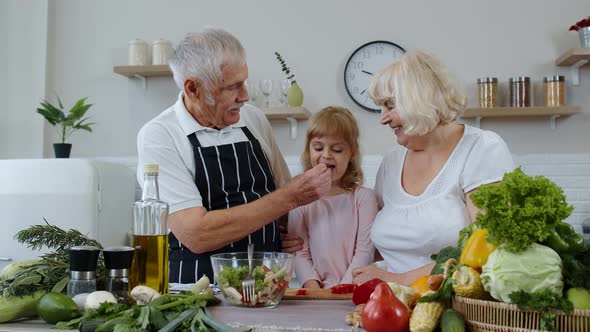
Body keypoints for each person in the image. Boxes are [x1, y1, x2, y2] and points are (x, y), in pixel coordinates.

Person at [136, 28, 332, 283]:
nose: (245, 95)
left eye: (244, 82)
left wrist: (284, 230)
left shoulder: (253, 119)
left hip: (266, 287)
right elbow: (196, 234)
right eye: (232, 87)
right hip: (197, 295)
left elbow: (281, 200)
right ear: (193, 88)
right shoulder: (160, 135)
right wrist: (289, 198)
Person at [351, 50, 514, 285]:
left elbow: (487, 248)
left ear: (416, 101)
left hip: (454, 303)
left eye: (389, 106)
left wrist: (399, 279)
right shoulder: (391, 162)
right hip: (388, 305)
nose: (383, 119)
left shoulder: (482, 149)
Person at [288, 107, 378, 289]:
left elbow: (364, 252)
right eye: (318, 147)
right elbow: (299, 252)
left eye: (337, 149)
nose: (326, 155)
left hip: (352, 291)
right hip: (315, 296)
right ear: (308, 150)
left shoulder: (363, 199)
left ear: (352, 152)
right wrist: (315, 290)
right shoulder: (300, 200)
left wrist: (341, 290)